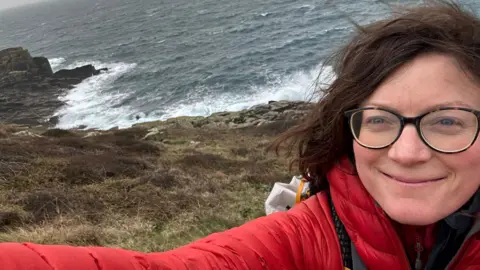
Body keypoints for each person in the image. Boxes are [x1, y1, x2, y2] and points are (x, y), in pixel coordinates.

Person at [1, 2, 480, 269]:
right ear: (348, 131)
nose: (409, 152)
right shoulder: (305, 237)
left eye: (447, 121)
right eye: (379, 120)